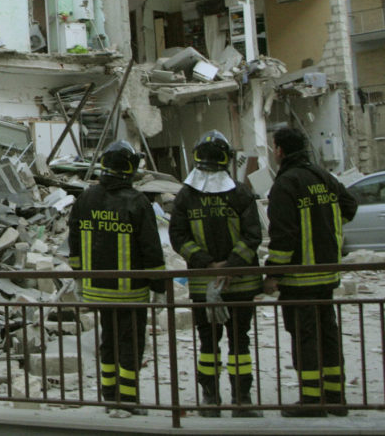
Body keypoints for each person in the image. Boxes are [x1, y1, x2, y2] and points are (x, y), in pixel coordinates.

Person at [264, 127, 357, 418]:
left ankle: (312, 400)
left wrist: (273, 275)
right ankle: (335, 396)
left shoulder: (286, 183)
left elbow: (283, 236)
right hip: (327, 276)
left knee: (305, 338)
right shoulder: (323, 176)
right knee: (328, 335)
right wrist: (323, 225)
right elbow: (349, 206)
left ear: (279, 151)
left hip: (300, 280)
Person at [67, 140, 165, 415]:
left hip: (97, 289)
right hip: (130, 293)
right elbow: (151, 249)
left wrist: (78, 277)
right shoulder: (137, 202)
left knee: (107, 342)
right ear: (130, 169)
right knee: (131, 345)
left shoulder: (86, 198)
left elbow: (73, 240)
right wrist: (159, 286)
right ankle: (129, 400)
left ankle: (109, 396)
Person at [169, 131, 262, 418]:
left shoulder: (186, 196)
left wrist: (207, 265)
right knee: (240, 341)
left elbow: (179, 237)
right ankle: (241, 401)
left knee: (208, 343)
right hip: (241, 283)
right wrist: (230, 266)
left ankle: (210, 401)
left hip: (203, 283)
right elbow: (253, 236)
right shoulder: (241, 193)